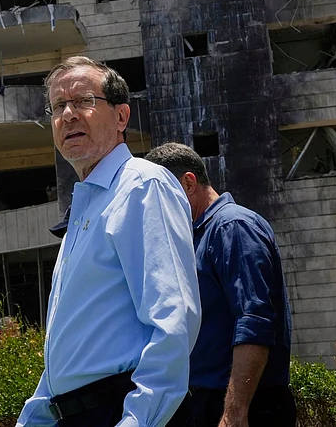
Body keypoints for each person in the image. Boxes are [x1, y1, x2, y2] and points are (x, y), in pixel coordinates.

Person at [16, 56, 201, 427]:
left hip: (120, 410)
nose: (67, 115)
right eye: (57, 107)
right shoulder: (85, 208)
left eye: (84, 101)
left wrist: (137, 422)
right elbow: (70, 350)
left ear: (121, 117)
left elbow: (173, 320)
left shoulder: (142, 187)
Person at [145, 142, 296, 427]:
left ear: (188, 183)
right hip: (205, 405)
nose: (157, 210)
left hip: (244, 408)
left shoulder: (232, 226)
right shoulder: (195, 236)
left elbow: (255, 320)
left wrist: (235, 411)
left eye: (161, 198)